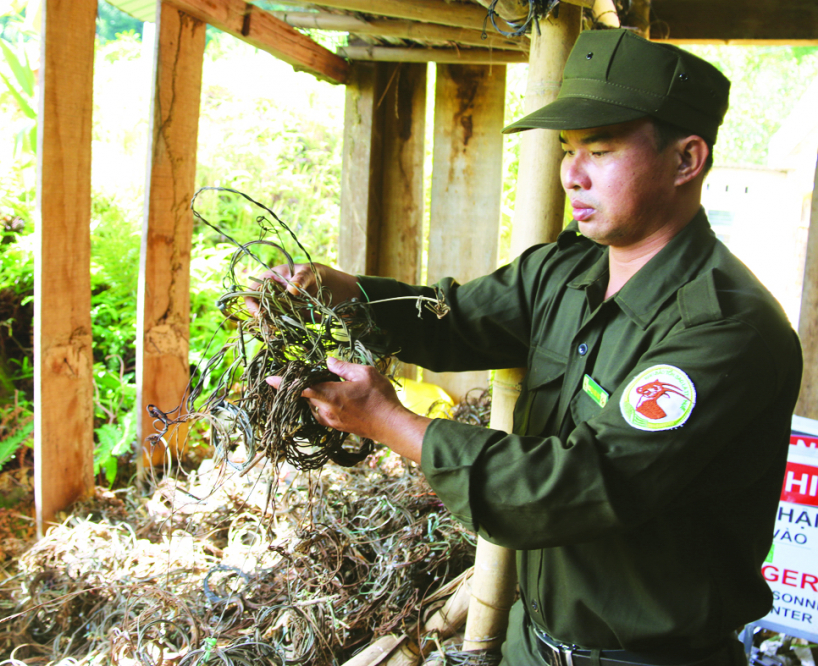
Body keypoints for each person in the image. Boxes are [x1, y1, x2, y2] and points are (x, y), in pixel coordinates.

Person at [261, 29, 803, 666]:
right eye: (569, 149)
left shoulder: (726, 329)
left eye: (599, 151)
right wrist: (340, 291)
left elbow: (579, 485)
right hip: (532, 643)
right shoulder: (565, 271)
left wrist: (391, 423)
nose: (571, 174)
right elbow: (451, 319)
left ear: (686, 160)